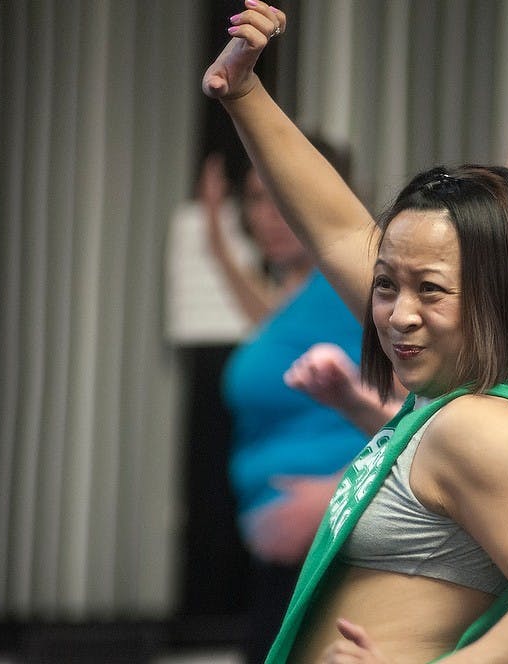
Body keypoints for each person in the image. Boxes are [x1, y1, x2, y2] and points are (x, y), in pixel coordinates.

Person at [203, 4, 508, 663]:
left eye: (430, 290)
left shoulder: (482, 424)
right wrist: (244, 94)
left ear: (497, 297)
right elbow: (337, 228)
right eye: (387, 285)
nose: (398, 313)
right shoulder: (452, 400)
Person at [200, 143, 374, 663]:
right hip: (284, 558)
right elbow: (268, 320)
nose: (267, 216)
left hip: (338, 545)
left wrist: (333, 494)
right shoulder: (297, 298)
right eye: (254, 200)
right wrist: (215, 240)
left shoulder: (358, 287)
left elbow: (431, 410)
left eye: (283, 198)